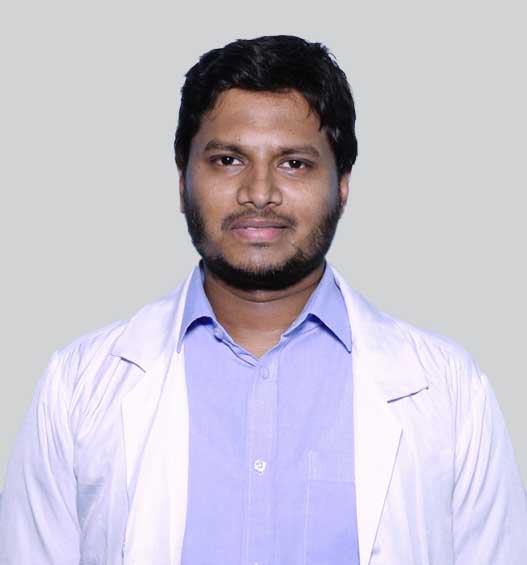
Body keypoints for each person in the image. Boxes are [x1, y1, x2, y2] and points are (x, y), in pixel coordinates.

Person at [0, 35, 525, 565]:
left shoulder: (450, 390)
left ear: (342, 184)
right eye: (228, 160)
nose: (259, 193)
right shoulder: (78, 386)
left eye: (294, 164)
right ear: (182, 180)